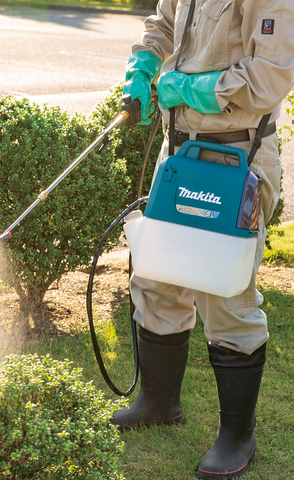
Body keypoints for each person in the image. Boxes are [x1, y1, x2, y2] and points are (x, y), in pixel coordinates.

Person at [110, 1, 294, 479]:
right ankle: (158, 402)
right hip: (178, 152)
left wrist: (190, 89)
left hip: (237, 156)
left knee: (224, 294)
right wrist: (142, 66)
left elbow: (270, 77)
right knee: (156, 279)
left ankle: (236, 436)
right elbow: (164, 23)